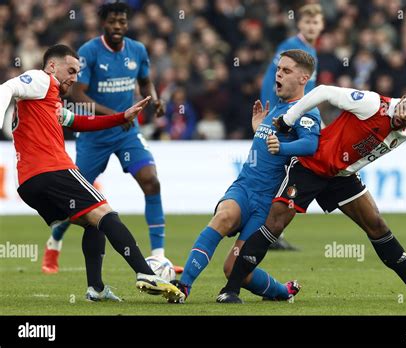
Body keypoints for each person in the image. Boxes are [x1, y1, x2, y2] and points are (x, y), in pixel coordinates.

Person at [218, 84, 406, 303]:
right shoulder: (372, 103)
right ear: (405, 96)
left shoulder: (404, 132)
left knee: (376, 224)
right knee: (276, 223)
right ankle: (230, 290)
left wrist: (345, 170)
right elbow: (323, 91)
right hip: (311, 167)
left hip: (340, 176)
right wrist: (288, 120)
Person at [0, 44, 184, 303]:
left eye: (78, 72)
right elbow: (6, 87)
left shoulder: (45, 102)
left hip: (30, 183)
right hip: (53, 169)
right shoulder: (42, 80)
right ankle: (145, 272)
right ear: (53, 66)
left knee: (93, 223)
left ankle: (95, 289)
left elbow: (80, 122)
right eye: (71, 70)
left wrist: (122, 116)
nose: (75, 78)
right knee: (107, 214)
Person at [41, 2, 182, 274]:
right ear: (103, 24)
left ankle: (159, 256)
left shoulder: (137, 50)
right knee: (76, 201)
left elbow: (144, 82)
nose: (118, 26)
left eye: (122, 22)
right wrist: (118, 114)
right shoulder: (89, 53)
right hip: (94, 135)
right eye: (113, 22)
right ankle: (54, 241)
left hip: (127, 134)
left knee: (151, 182)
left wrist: (154, 99)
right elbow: (78, 95)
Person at [171, 49, 321, 303]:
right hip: (244, 187)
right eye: (278, 69)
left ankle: (282, 292)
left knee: (234, 269)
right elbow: (270, 143)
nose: (278, 75)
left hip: (266, 202)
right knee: (224, 216)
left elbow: (310, 145)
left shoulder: (306, 111)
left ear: (304, 78)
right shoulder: (277, 109)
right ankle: (183, 286)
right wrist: (258, 129)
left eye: (286, 70)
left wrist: (282, 147)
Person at [260, 3, 324, 251]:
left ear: (321, 25)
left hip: (295, 118)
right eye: (307, 22)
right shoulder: (290, 48)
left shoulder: (310, 52)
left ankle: (271, 231)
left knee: (284, 174)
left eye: (315, 22)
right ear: (299, 24)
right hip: (283, 118)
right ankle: (266, 231)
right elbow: (271, 82)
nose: (311, 26)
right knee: (279, 173)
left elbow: (307, 95)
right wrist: (273, 115)